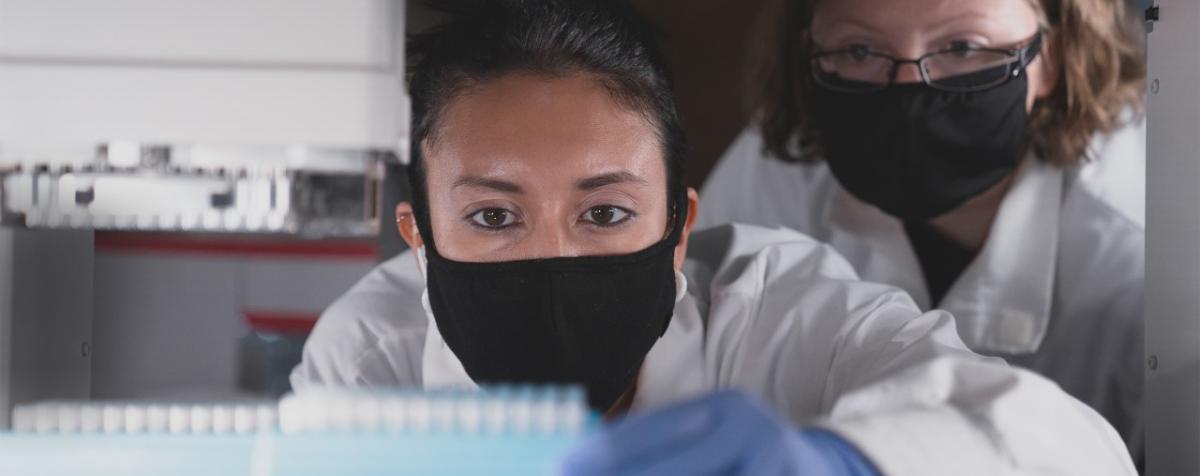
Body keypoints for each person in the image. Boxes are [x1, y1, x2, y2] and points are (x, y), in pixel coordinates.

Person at [291, 0, 1136, 473]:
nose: (555, 254)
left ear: (678, 227)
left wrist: (843, 463)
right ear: (419, 234)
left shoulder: (784, 314)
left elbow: (1075, 452)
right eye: (492, 217)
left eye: (605, 213)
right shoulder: (371, 361)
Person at [696, 0, 1146, 461]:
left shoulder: (1139, 250)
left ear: (1052, 55)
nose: (909, 91)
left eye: (962, 47)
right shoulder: (772, 175)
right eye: (859, 50)